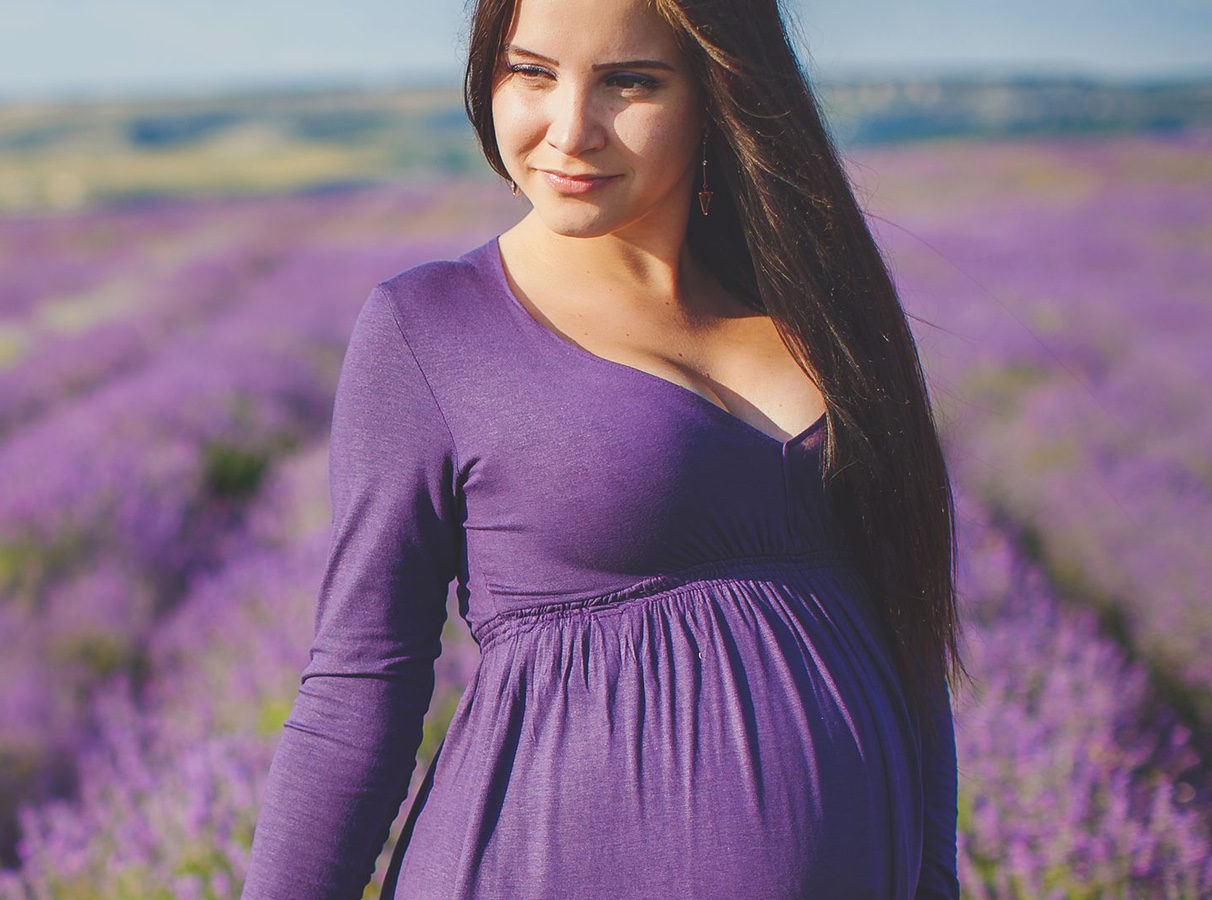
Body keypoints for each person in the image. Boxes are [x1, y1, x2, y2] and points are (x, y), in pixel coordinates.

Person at [240, 0, 966, 897]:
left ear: (719, 90)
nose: (570, 128)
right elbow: (359, 689)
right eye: (532, 72)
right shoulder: (432, 329)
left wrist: (933, 872)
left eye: (630, 81)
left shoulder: (827, 314)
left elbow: (908, 627)